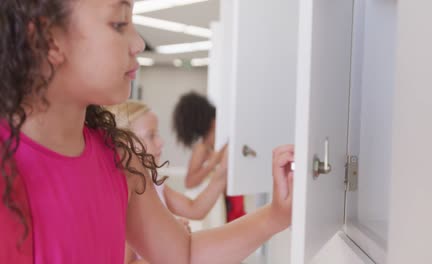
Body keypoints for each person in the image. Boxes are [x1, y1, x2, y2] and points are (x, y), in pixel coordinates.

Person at [0, 1, 295, 263]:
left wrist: (275, 217)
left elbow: (184, 253)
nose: (138, 43)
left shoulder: (119, 161)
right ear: (49, 39)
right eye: (119, 23)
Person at [173, 91, 245, 222]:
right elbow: (189, 182)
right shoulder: (201, 149)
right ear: (209, 123)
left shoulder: (216, 147)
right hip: (209, 207)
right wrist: (213, 162)